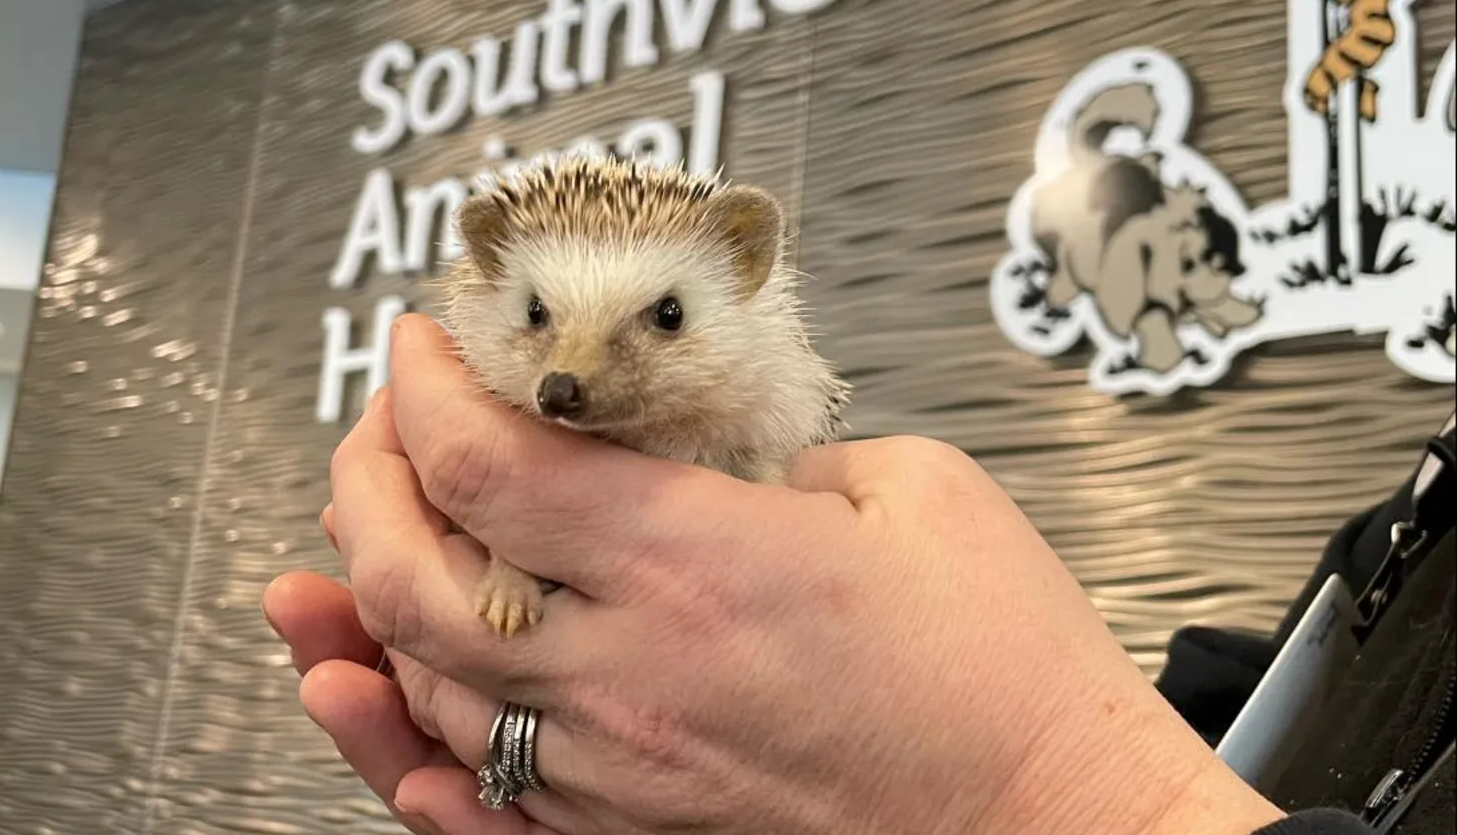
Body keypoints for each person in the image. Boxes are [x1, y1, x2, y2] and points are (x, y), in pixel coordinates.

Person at [263, 314, 1454, 834]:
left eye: (660, 322)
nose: (574, 377)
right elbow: (1276, 720)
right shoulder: (1417, 516)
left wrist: (1041, 794)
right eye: (536, 326)